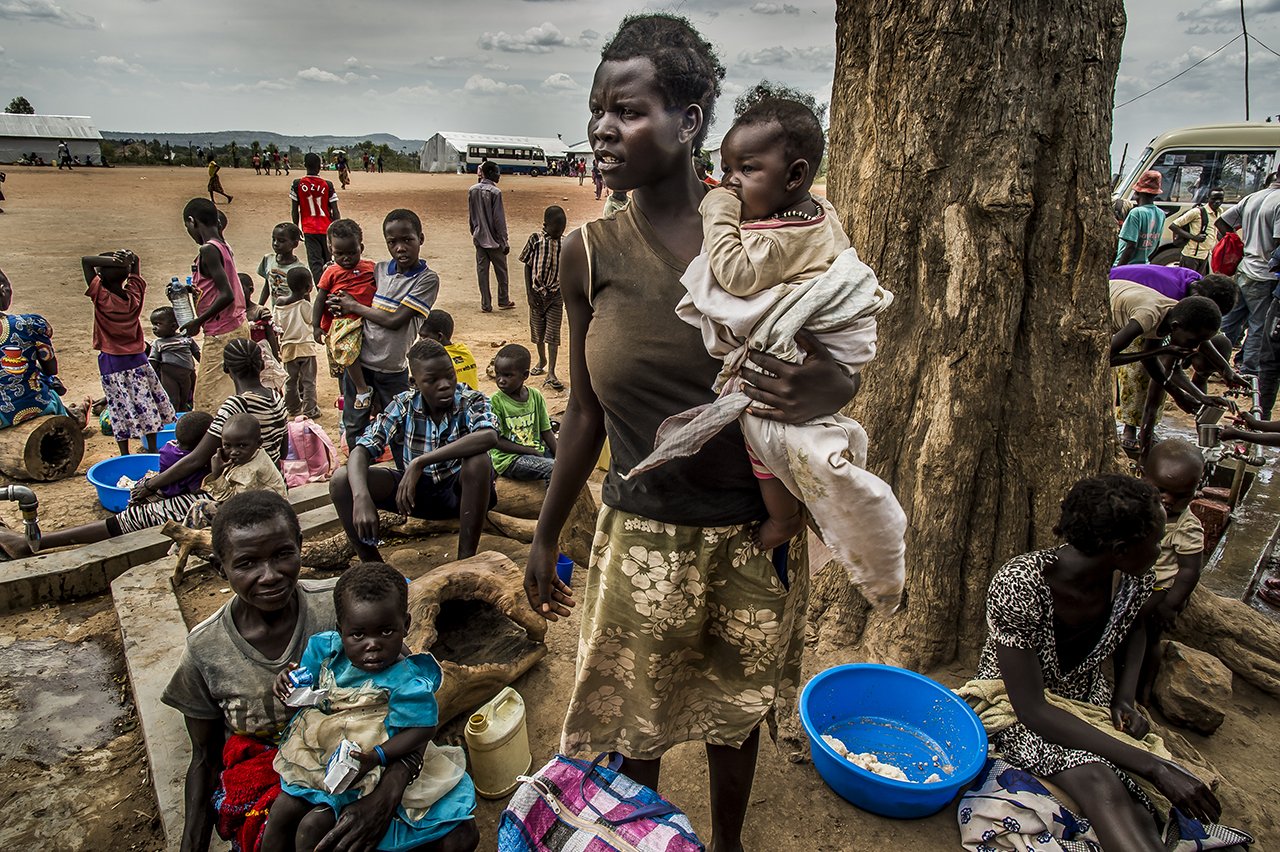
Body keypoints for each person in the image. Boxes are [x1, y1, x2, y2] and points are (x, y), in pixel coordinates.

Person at [523, 16, 860, 850]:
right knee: (638, 727)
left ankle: (730, 844)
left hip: (756, 533)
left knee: (733, 714)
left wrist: (834, 381)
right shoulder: (589, 253)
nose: (603, 127)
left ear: (691, 119)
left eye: (628, 110)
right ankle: (645, 839)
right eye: (597, 108)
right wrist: (543, 535)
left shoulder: (778, 237)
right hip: (642, 532)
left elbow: (841, 357)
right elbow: (584, 413)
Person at [633, 97, 903, 565]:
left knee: (764, 428)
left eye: (746, 170)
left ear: (794, 177)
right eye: (725, 169)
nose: (730, 182)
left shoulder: (778, 236)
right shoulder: (814, 214)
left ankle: (782, 518)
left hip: (794, 356)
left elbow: (736, 273)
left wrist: (717, 211)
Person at [162, 492, 478, 852]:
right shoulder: (207, 648)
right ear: (221, 567)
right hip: (285, 767)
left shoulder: (344, 607)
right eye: (247, 563)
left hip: (367, 755)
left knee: (459, 838)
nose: (270, 575)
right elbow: (204, 759)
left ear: (299, 546)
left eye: (282, 554)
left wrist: (386, 795)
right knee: (310, 833)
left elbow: (409, 696)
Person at [972, 474, 1221, 851]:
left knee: (1137, 804)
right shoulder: (1020, 584)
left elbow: (1133, 630)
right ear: (1120, 549)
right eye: (1156, 542)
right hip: (1013, 700)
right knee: (1099, 781)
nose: (1159, 551)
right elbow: (1033, 709)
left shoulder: (1133, 580)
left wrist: (1123, 699)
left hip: (1085, 696)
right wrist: (1155, 765)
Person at [0, 339, 286, 558]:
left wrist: (149, 484)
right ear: (261, 365)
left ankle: (36, 542)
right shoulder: (275, 399)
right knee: (157, 502)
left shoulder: (236, 407)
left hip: (238, 495)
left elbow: (196, 458)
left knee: (135, 515)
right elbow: (281, 452)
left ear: (225, 369)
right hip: (261, 486)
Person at [262, 562, 478, 851]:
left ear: (406, 625)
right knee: (282, 815)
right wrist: (287, 682)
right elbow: (304, 686)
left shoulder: (406, 679)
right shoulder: (327, 650)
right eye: (358, 635)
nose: (372, 645)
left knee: (321, 829)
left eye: (386, 632)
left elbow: (423, 728)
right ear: (341, 631)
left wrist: (377, 756)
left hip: (377, 757)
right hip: (324, 752)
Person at [330, 339, 497, 563]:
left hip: (459, 495)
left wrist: (420, 462)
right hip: (414, 497)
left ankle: (465, 560)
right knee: (341, 481)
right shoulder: (403, 404)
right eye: (432, 380)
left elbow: (488, 436)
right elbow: (362, 449)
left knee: (479, 461)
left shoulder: (471, 400)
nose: (445, 384)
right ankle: (373, 566)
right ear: (414, 383)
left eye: (449, 375)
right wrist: (361, 497)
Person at [330, 209, 439, 451]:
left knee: (401, 429)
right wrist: (338, 303)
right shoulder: (377, 271)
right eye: (393, 242)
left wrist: (353, 305)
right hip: (361, 366)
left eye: (407, 240)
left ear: (420, 238)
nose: (400, 247)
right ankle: (360, 479)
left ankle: (404, 480)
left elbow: (395, 320)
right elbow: (346, 293)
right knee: (355, 424)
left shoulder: (427, 279)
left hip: (392, 370)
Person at [1109, 281, 1224, 454]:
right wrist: (1163, 350)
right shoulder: (1148, 316)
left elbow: (1152, 363)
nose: (1195, 348)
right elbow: (1106, 358)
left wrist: (1182, 395)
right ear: (1175, 327)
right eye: (1193, 341)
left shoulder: (1172, 315)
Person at [82, 250, 175, 454]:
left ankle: (124, 453)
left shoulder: (102, 298)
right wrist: (128, 260)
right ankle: (151, 447)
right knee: (145, 402)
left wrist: (113, 261)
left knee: (118, 406)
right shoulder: (134, 297)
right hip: (138, 359)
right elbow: (136, 271)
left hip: (112, 361)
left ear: (101, 275)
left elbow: (86, 261)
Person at [1137, 439, 1205, 699]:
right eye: (1162, 490)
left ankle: (1143, 689)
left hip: (1160, 590)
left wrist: (1171, 605)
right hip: (1135, 583)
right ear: (1144, 476)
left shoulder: (1186, 527)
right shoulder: (1139, 508)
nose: (1168, 500)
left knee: (1148, 638)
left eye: (1181, 496)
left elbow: (1190, 571)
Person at [181, 197, 250, 414]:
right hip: (236, 324)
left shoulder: (208, 250)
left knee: (207, 399)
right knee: (229, 390)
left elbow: (226, 294)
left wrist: (197, 322)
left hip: (221, 332)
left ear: (192, 222)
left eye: (187, 226)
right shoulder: (222, 245)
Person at [1216, 172, 1280, 376]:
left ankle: (1215, 362)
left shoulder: (1253, 197)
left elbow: (1222, 222)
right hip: (1265, 274)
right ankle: (1249, 369)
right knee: (1258, 325)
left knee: (1231, 320)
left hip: (1244, 267)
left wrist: (1237, 243)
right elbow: (1278, 243)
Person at [314, 218, 377, 410]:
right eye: (339, 254)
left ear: (361, 247)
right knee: (347, 353)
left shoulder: (372, 268)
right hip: (344, 322)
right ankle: (361, 388)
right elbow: (319, 299)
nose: (346, 258)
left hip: (368, 318)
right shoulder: (331, 272)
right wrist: (315, 326)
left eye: (352, 252)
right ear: (330, 249)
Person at [0, 266, 70, 428]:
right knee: (50, 389)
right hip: (34, 405)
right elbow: (51, 368)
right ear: (3, 290)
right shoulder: (28, 324)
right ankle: (70, 423)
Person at [490, 344, 556, 482]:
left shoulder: (535, 396)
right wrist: (529, 451)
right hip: (510, 459)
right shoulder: (496, 402)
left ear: (525, 375)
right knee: (555, 469)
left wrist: (561, 456)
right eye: (498, 374)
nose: (501, 380)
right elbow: (496, 441)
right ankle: (554, 503)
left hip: (536, 451)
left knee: (567, 463)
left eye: (508, 375)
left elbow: (546, 431)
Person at [519, 205, 567, 391]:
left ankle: (552, 372)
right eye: (555, 230)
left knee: (553, 335)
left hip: (556, 295)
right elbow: (527, 266)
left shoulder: (565, 243)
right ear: (545, 226)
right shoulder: (535, 240)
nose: (558, 233)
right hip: (537, 294)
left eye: (561, 230)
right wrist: (529, 294)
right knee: (538, 333)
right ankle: (542, 360)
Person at [276, 267, 321, 419]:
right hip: (306, 348)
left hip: (288, 348)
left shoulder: (279, 304)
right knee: (309, 382)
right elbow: (311, 320)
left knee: (290, 381)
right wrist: (306, 298)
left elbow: (277, 325)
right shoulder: (305, 305)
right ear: (309, 288)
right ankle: (310, 410)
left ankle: (293, 408)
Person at [468, 161, 513, 312]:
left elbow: (471, 214)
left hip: (479, 237)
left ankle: (485, 304)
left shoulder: (472, 190)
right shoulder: (495, 192)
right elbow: (499, 219)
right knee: (502, 272)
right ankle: (503, 299)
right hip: (494, 240)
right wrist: (504, 241)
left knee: (482, 272)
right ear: (491, 173)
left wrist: (474, 231)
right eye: (497, 172)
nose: (499, 175)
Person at [291, 153, 341, 284]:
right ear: (320, 167)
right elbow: (335, 210)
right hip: (327, 228)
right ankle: (329, 289)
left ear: (305, 165)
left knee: (315, 263)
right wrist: (336, 228)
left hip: (309, 229)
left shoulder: (298, 184)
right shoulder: (327, 185)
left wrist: (296, 227)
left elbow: (295, 209)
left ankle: (321, 291)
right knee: (329, 261)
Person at [149, 306, 201, 413]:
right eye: (153, 324)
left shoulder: (186, 339)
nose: (154, 328)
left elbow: (197, 354)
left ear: (173, 326)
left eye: (158, 324)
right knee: (173, 400)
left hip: (186, 375)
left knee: (184, 400)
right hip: (169, 376)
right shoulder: (157, 343)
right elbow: (153, 361)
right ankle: (174, 422)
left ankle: (183, 420)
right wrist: (149, 376)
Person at [1114, 170, 1166, 266]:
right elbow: (1156, 245)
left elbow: (1130, 246)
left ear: (1137, 194)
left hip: (1127, 266)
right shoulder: (1161, 214)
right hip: (1144, 265)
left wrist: (1118, 269)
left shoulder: (1136, 213)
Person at [1169, 187, 1225, 274]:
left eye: (1220, 199)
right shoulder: (1196, 212)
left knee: (1197, 282)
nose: (1217, 202)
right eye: (1214, 199)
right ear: (1208, 198)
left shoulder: (1219, 212)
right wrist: (1194, 237)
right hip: (1191, 255)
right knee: (1187, 282)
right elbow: (1173, 226)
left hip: (1205, 255)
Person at [420, 310, 477, 392]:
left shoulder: (434, 359)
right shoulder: (464, 350)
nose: (420, 341)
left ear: (439, 336)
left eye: (423, 337)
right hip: (473, 400)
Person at [256, 222, 307, 307]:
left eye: (281, 241)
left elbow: (304, 297)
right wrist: (260, 306)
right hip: (276, 313)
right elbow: (267, 286)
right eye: (274, 239)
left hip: (292, 315)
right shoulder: (268, 259)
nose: (275, 243)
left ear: (295, 244)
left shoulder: (299, 269)